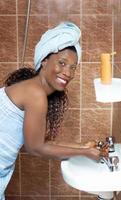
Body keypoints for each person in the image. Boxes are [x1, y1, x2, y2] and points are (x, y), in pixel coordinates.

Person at [0, 21, 108, 199]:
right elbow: (35, 148)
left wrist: (82, 146)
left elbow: (40, 142)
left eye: (73, 67)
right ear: (44, 61)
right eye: (62, 63)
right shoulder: (35, 94)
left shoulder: (34, 90)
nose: (68, 72)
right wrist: (84, 152)